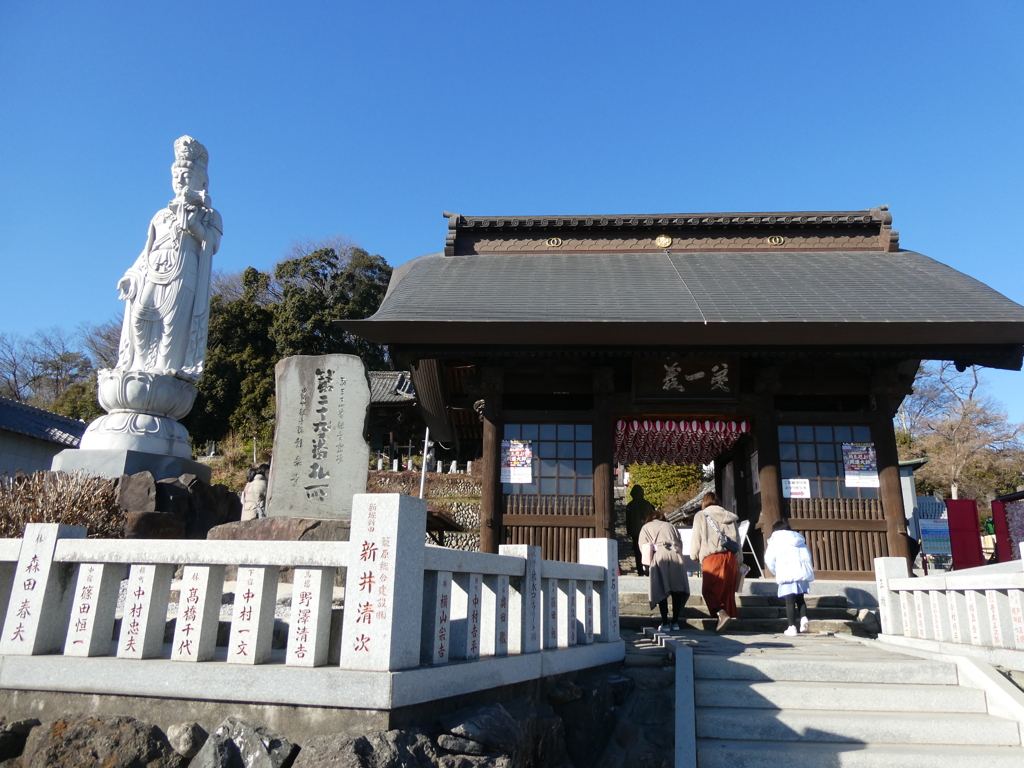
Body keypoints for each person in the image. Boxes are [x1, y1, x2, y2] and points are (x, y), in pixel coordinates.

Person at [115, 136, 223, 381]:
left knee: (172, 321)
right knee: (140, 316)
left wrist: (194, 223)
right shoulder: (161, 214)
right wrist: (131, 274)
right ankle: (138, 368)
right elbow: (147, 249)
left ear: (202, 180)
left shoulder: (209, 214)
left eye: (186, 176)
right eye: (176, 176)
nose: (180, 180)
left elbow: (212, 244)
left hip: (184, 268)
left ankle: (164, 371)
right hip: (154, 268)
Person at [690, 491, 741, 632]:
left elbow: (696, 537)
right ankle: (723, 619)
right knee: (726, 589)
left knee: (708, 589)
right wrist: (739, 559)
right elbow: (737, 539)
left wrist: (694, 554)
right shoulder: (729, 516)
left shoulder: (701, 515)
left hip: (712, 557)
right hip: (731, 556)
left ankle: (721, 613)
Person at [638, 509, 690, 631]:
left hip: (659, 556)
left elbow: (643, 547)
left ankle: (665, 622)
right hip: (675, 555)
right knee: (676, 589)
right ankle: (675, 622)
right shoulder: (670, 526)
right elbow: (679, 543)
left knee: (661, 588)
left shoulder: (646, 527)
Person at [764, 519, 815, 636]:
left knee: (790, 602)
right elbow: (808, 555)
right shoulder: (799, 540)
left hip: (787, 574)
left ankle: (792, 627)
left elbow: (769, 559)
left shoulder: (776, 541)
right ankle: (803, 618)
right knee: (800, 599)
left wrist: (776, 571)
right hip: (801, 574)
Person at [626, 485, 655, 576]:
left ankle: (640, 570)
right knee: (648, 549)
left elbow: (628, 520)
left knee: (637, 551)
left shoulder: (630, 505)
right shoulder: (647, 504)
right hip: (647, 531)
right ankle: (647, 567)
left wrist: (629, 531)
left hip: (635, 532)